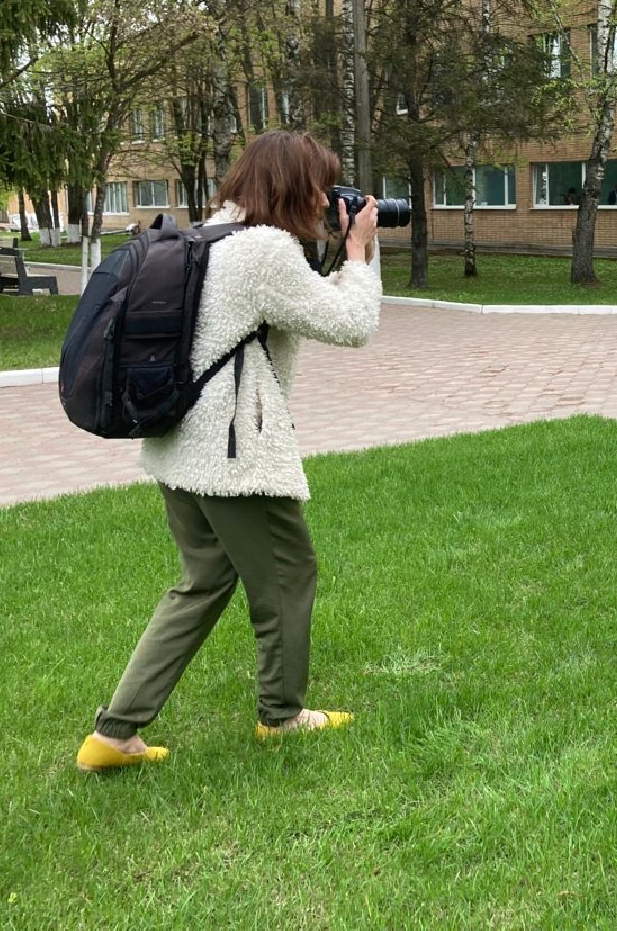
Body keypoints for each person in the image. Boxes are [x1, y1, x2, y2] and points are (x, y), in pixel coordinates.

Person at [76, 131, 383, 773]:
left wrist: (344, 253)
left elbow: (299, 309)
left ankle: (114, 734)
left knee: (203, 582)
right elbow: (352, 324)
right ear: (293, 186)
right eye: (320, 187)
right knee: (288, 574)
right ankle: (282, 715)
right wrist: (358, 251)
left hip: (177, 449)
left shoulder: (212, 236)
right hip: (232, 459)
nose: (327, 200)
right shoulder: (264, 250)